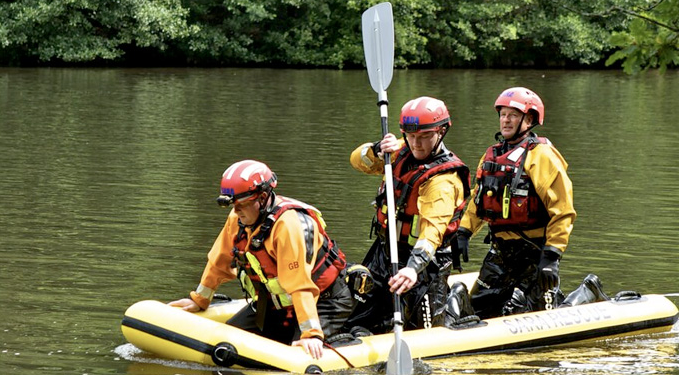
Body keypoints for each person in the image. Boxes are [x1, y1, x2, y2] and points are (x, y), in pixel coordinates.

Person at [169, 160, 354, 360]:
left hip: (325, 301)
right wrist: (200, 299)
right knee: (223, 345)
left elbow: (300, 285)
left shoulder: (288, 225)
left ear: (263, 197)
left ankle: (346, 336)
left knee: (301, 354)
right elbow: (219, 260)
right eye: (232, 204)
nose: (236, 211)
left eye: (242, 204)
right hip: (276, 304)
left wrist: (311, 334)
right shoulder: (238, 219)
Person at [346, 96, 470, 333]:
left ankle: (455, 298)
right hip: (384, 252)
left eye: (424, 136)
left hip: (426, 264)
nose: (417, 144)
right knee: (354, 317)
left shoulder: (443, 181)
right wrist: (375, 150)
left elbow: (432, 233)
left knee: (422, 328)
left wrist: (413, 268)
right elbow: (357, 161)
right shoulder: (399, 152)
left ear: (441, 132)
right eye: (411, 136)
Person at [454, 87, 576, 318]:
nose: (505, 120)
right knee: (478, 311)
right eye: (503, 114)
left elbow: (563, 211)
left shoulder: (542, 156)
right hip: (501, 252)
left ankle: (588, 292)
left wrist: (551, 256)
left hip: (535, 253)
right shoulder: (492, 155)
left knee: (540, 313)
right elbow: (480, 200)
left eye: (513, 115)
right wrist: (463, 232)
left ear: (529, 119)